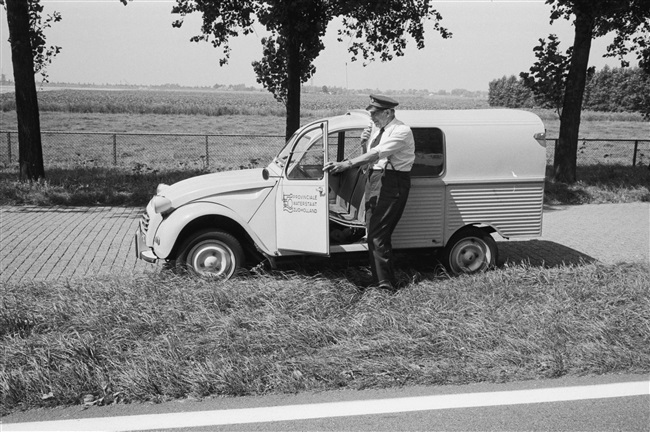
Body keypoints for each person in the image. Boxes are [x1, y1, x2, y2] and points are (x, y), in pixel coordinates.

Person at [323, 95, 415, 291]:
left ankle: (385, 285)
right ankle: (381, 278)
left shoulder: (401, 131)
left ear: (388, 112)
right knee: (373, 231)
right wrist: (364, 142)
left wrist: (345, 164)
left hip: (391, 182)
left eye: (374, 113)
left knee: (377, 234)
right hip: (375, 179)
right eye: (371, 113)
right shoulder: (377, 129)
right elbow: (370, 156)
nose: (371, 117)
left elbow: (377, 154)